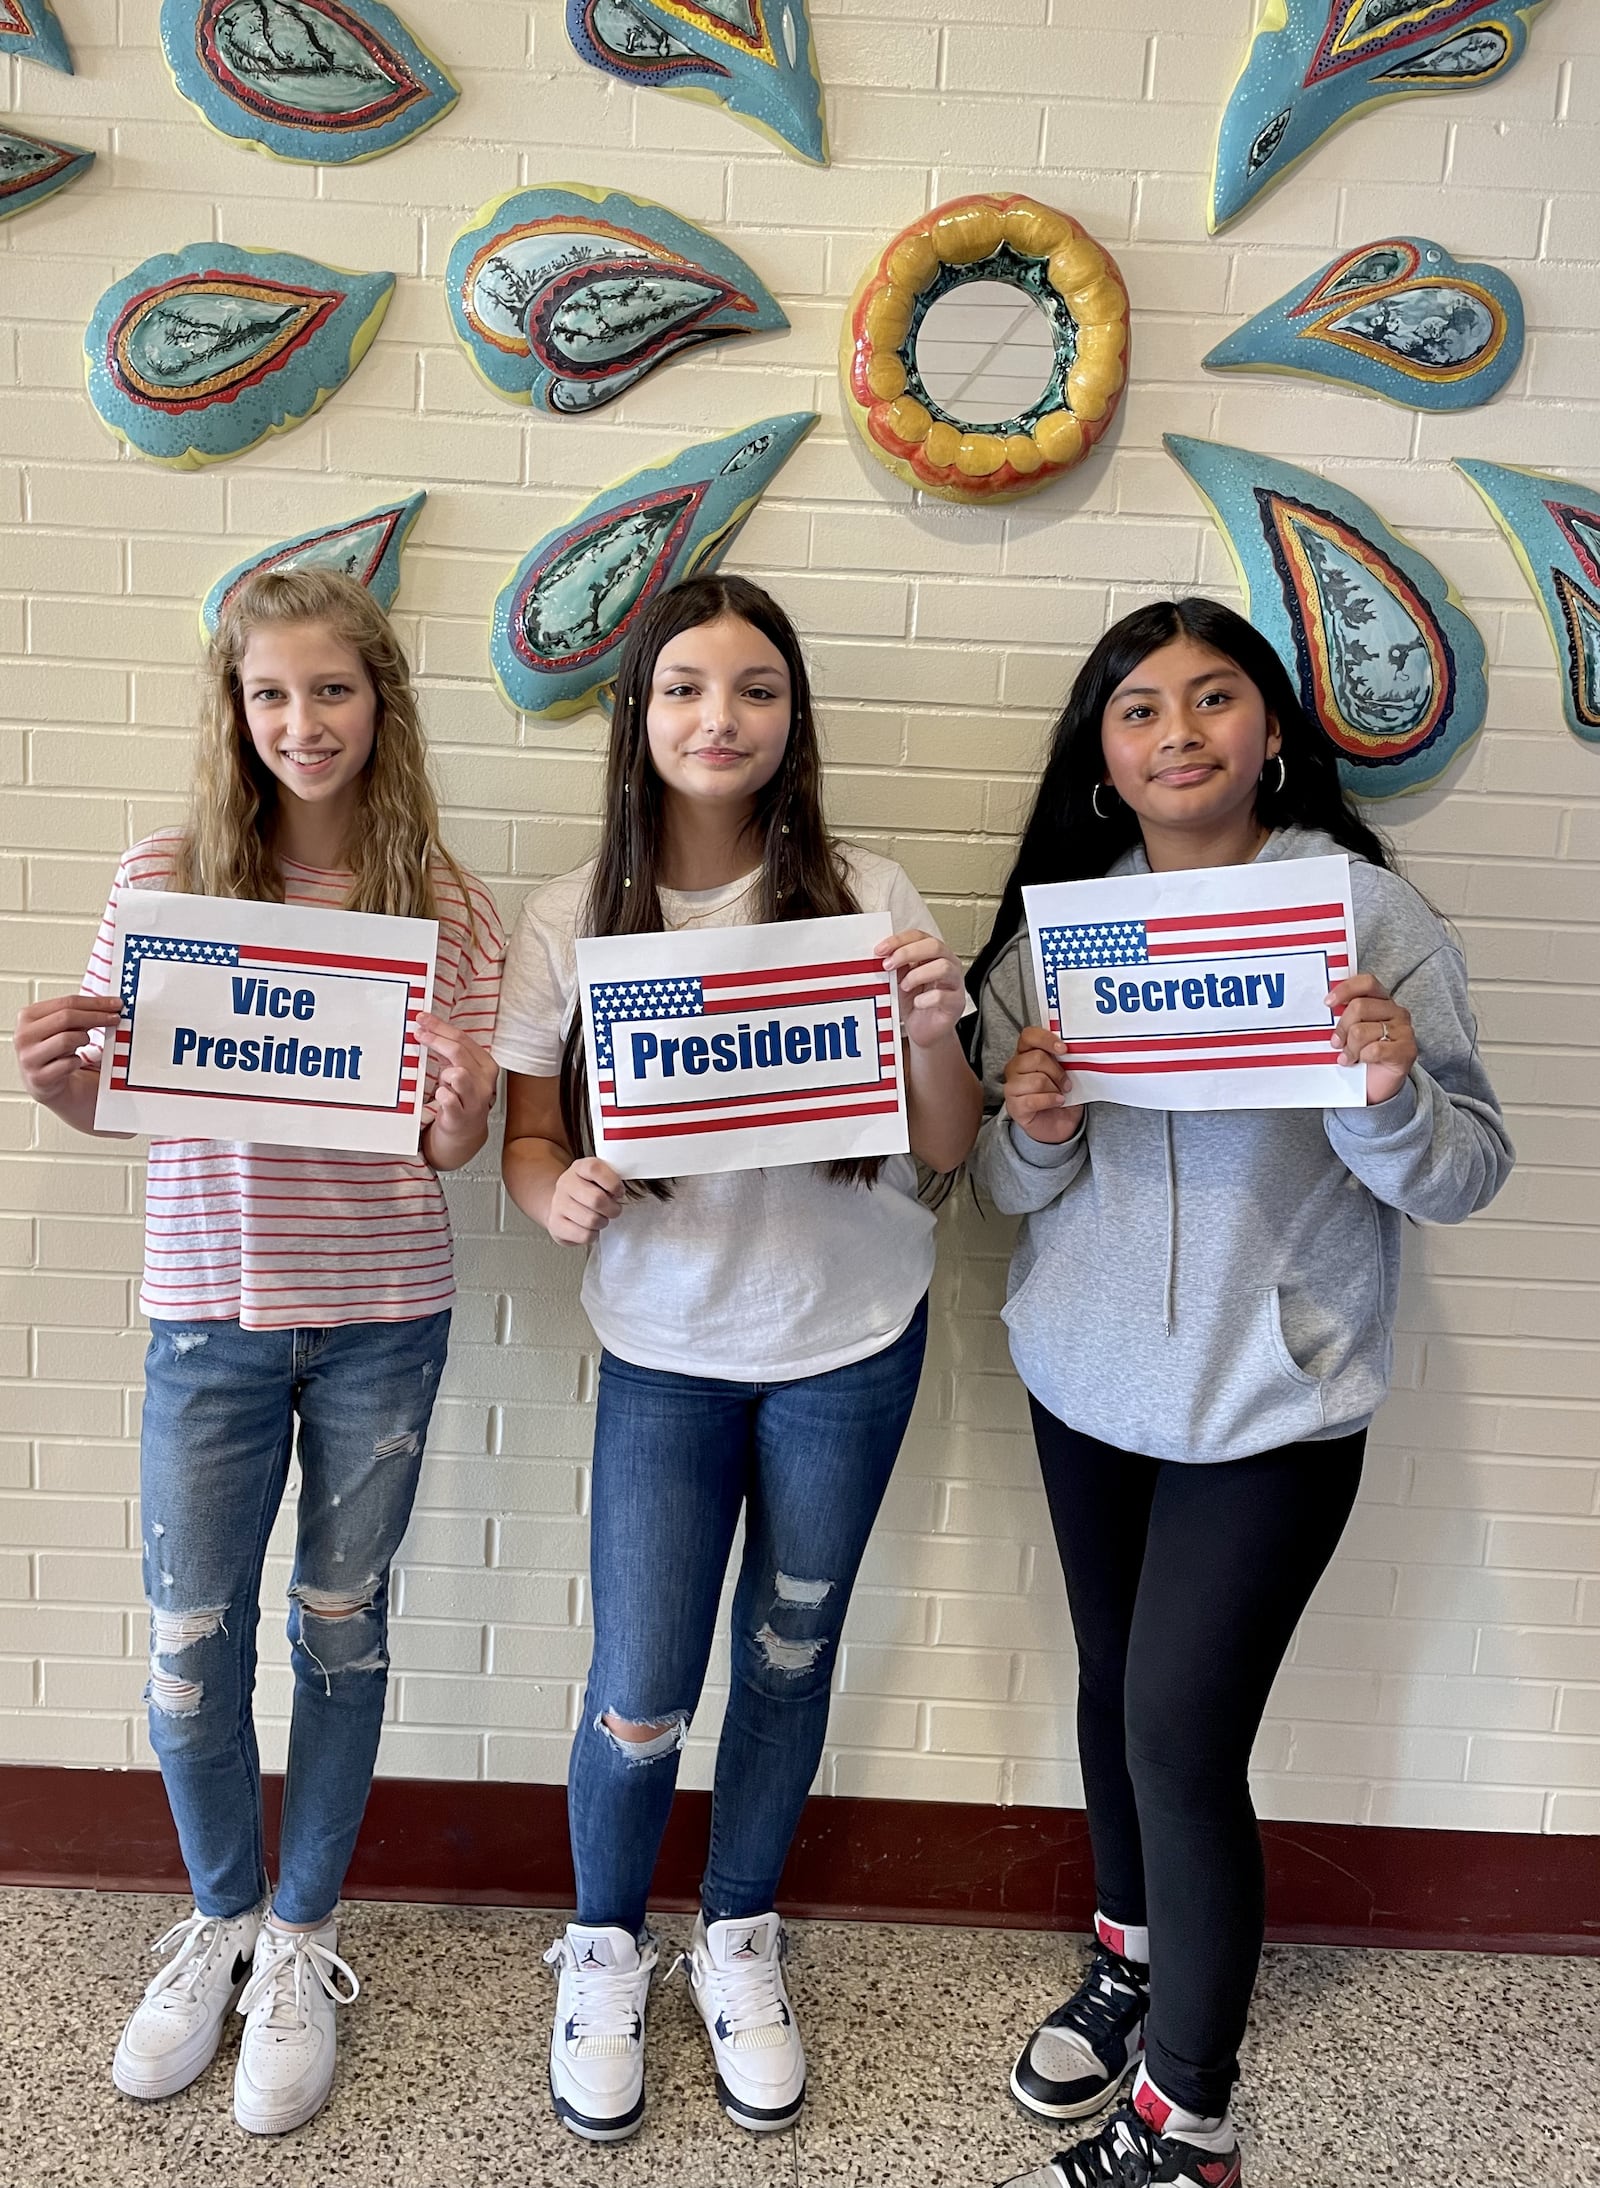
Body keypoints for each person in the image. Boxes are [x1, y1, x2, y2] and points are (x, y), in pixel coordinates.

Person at [968, 598, 1512, 2188]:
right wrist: (1037, 1130)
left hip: (1272, 1410)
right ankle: (1131, 1961)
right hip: (1087, 1389)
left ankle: (1184, 2120)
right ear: (1105, 758)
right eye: (1141, 711)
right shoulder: (1061, 930)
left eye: (1216, 701)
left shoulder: (1366, 917)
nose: (1181, 732)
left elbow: (1467, 1174)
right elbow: (1002, 1185)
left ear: (1274, 731)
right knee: (1110, 1693)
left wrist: (1389, 1090)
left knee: (1178, 1737)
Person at [13, 570, 504, 2137]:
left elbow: (451, 1152)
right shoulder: (167, 884)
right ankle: (220, 1920)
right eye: (272, 694)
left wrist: (462, 1107)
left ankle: (302, 1939)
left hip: (381, 1321)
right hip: (207, 1316)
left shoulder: (448, 904)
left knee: (339, 1632)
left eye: (335, 691)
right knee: (187, 1642)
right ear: (236, 709)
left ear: (384, 706)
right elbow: (124, 1101)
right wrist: (56, 1086)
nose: (304, 723)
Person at [493, 572, 981, 2144]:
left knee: (787, 1656)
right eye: (687, 686)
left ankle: (742, 1933)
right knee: (639, 1692)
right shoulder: (572, 919)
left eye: (757, 688)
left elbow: (950, 1149)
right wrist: (551, 1190)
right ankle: (605, 1944)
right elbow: (526, 1142)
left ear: (795, 718)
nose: (722, 717)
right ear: (638, 717)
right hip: (665, 1352)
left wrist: (929, 1030)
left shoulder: (872, 894)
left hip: (851, 1341)